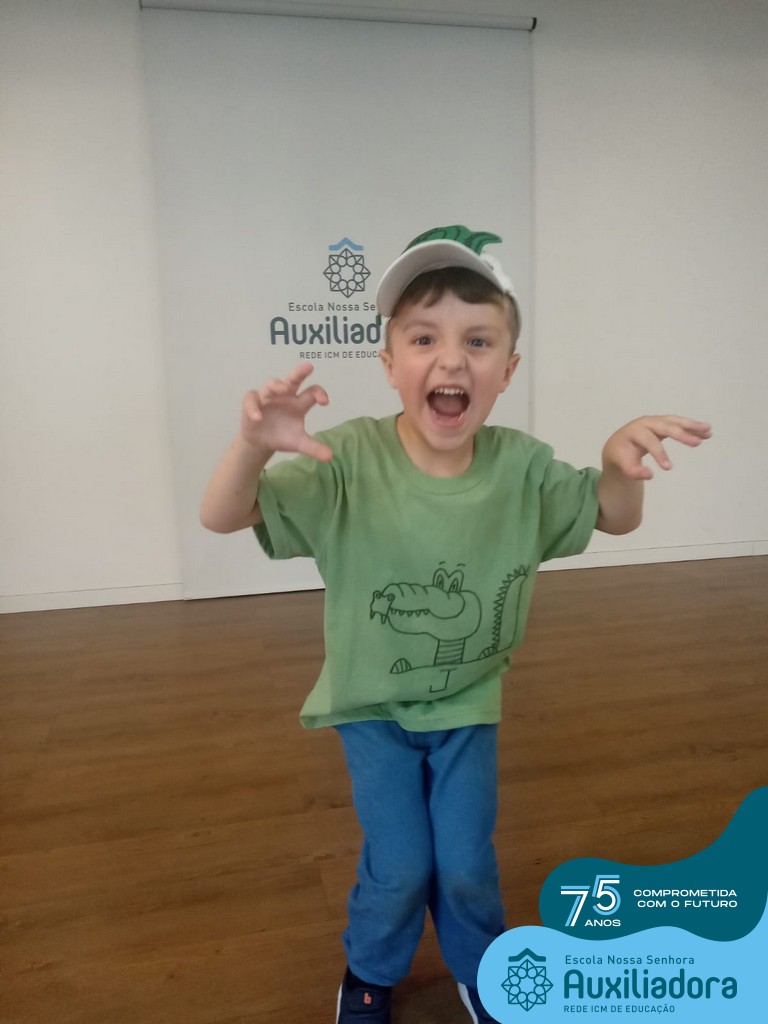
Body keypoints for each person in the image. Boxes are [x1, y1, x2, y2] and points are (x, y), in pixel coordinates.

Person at [200, 225, 711, 1024]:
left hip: (469, 704)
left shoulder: (523, 469)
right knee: (402, 863)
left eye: (477, 340)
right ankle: (371, 968)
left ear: (507, 369)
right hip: (371, 706)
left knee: (467, 861)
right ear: (389, 363)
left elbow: (613, 515)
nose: (451, 360)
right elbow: (222, 515)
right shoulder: (347, 461)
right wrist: (250, 447)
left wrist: (619, 466)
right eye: (424, 338)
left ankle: (482, 968)